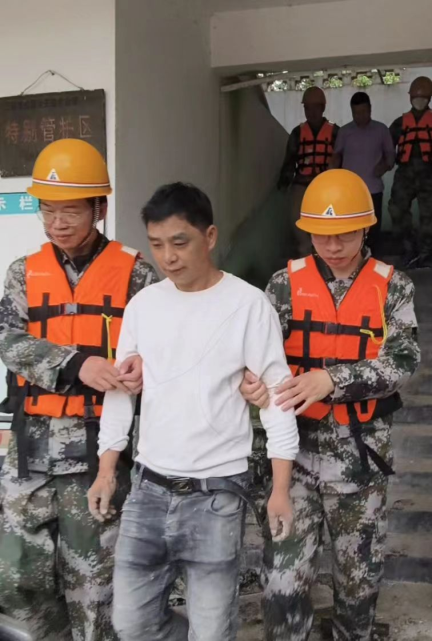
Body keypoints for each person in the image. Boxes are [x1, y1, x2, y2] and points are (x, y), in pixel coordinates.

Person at [88, 182, 299, 641]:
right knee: (132, 624)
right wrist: (107, 470)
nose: (168, 257)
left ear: (210, 237)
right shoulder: (143, 306)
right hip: (148, 489)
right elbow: (121, 392)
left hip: (216, 494)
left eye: (180, 242)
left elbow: (278, 397)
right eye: (157, 244)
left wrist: (280, 488)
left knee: (211, 630)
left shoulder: (248, 305)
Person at [240, 169, 421, 641]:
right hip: (292, 456)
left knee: (358, 579)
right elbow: (254, 355)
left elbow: (403, 361)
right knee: (283, 579)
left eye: (344, 235)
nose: (333, 246)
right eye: (322, 236)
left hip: (361, 455)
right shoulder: (283, 284)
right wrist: (250, 383)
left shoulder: (393, 286)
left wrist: (332, 380)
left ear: (366, 228)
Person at [0, 138, 157, 640]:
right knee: (17, 577)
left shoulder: (137, 274)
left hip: (97, 453)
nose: (57, 223)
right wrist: (75, 364)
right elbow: (7, 339)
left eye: (70, 211)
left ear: (99, 209)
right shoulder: (23, 272)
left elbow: (162, 347)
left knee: (95, 585)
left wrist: (141, 368)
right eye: (48, 211)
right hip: (28, 452)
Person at [388, 76, 432, 268]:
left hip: (430, 173)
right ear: (410, 97)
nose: (419, 100)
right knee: (396, 209)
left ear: (430, 98)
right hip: (405, 173)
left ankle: (426, 253)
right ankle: (408, 248)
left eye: (423, 97)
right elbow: (387, 148)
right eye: (416, 97)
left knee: (431, 215)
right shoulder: (399, 123)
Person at [330, 92, 395, 255]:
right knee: (351, 230)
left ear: (370, 109)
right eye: (356, 113)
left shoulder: (381, 130)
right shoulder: (344, 132)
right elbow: (336, 156)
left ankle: (373, 262)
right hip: (349, 191)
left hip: (373, 190)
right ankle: (353, 261)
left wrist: (385, 166)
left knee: (373, 231)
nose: (360, 116)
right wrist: (331, 176)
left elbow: (391, 155)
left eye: (364, 112)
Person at [278, 86, 340, 255]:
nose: (311, 112)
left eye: (315, 108)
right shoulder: (297, 133)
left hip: (326, 186)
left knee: (327, 225)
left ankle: (326, 257)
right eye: (307, 108)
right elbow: (289, 160)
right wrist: (283, 183)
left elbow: (342, 160)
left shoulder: (335, 132)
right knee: (297, 223)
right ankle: (305, 255)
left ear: (323, 108)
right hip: (301, 184)